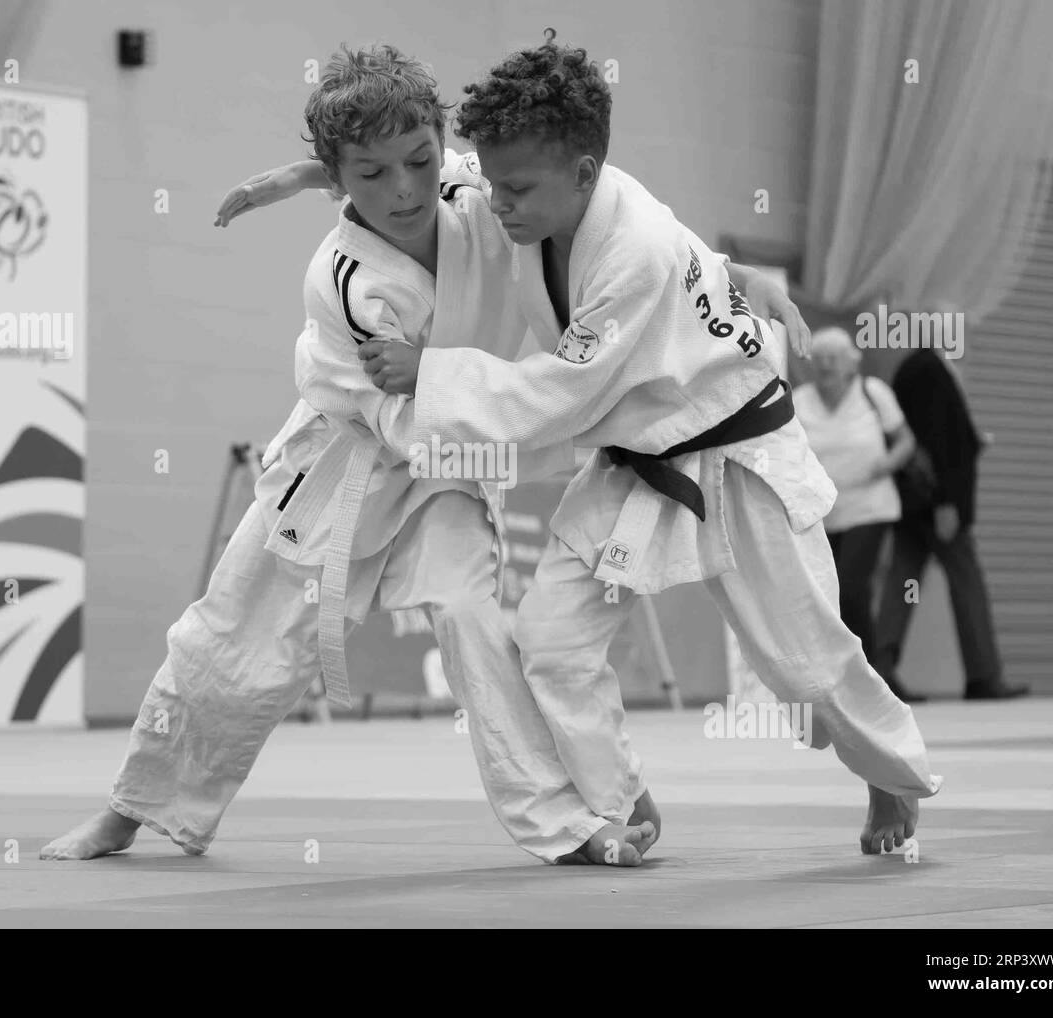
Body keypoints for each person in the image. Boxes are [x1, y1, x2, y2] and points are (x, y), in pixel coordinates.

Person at [41, 43, 658, 868]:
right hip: (342, 462)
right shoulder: (346, 284)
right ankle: (132, 807)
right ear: (342, 180)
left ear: (443, 148)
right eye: (370, 174)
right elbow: (405, 414)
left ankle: (564, 824)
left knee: (476, 618)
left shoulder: (474, 191)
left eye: (418, 160)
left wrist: (727, 276)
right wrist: (530, 425)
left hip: (444, 467)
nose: (404, 190)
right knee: (228, 640)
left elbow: (536, 181)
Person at [345, 32, 943, 855]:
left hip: (739, 454)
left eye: (516, 188)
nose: (498, 203)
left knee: (803, 667)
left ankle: (891, 774)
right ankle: (623, 800)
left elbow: (559, 393)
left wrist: (430, 373)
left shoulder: (633, 253)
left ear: (584, 175)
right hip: (639, 452)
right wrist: (316, 173)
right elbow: (428, 178)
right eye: (494, 182)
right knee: (550, 637)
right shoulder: (544, 194)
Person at [873, 348, 1028, 700]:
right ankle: (983, 675)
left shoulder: (922, 367)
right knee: (966, 579)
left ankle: (881, 670)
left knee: (903, 579)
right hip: (935, 504)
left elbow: (939, 434)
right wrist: (946, 501)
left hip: (916, 502)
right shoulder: (928, 367)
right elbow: (935, 437)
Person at [794, 327, 924, 703]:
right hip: (821, 512)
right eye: (819, 358)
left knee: (852, 584)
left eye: (834, 357)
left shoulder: (873, 392)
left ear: (851, 363)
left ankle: (871, 677)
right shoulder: (799, 400)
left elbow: (906, 440)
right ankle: (841, 679)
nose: (826, 365)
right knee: (826, 594)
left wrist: (888, 463)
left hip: (871, 506)